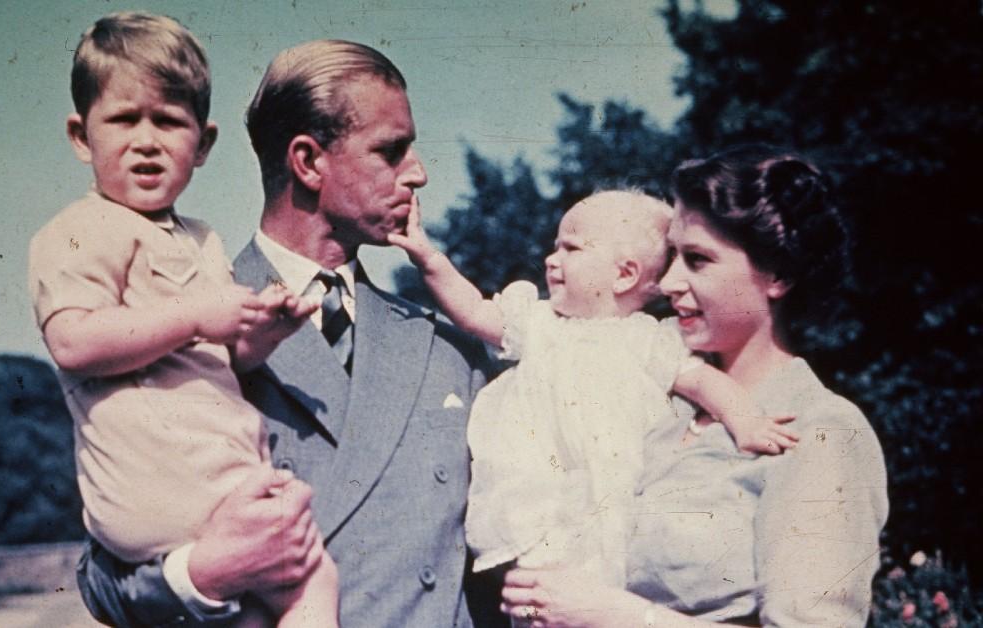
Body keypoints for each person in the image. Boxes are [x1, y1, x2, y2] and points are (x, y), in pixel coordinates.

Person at [76, 39, 499, 627]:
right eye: (391, 150)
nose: (418, 174)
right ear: (307, 161)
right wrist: (205, 574)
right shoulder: (176, 328)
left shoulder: (448, 351)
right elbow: (102, 579)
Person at [28, 13, 338, 627]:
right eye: (123, 120)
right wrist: (198, 311)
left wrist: (263, 332)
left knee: (278, 599)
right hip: (162, 485)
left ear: (202, 145)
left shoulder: (200, 239)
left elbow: (224, 357)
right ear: (81, 137)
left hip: (213, 476)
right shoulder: (76, 231)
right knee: (307, 574)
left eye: (169, 122)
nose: (146, 140)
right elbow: (72, 341)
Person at [498, 146, 889, 627]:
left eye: (698, 260)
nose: (668, 282)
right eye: (672, 257)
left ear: (778, 275)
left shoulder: (821, 430)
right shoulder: (651, 399)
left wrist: (613, 614)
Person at [390, 190, 798, 587]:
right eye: (555, 247)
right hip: (537, 498)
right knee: (535, 593)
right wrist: (429, 259)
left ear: (624, 274)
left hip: (612, 498)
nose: (551, 260)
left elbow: (704, 382)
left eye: (571, 248)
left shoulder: (649, 340)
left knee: (600, 584)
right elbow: (476, 311)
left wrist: (746, 420)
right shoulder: (540, 324)